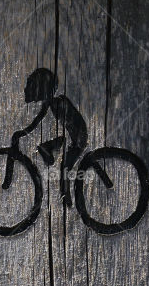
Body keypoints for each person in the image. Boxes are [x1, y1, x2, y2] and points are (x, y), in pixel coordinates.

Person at [7, 67, 88, 206]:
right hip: (71, 137)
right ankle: (64, 194)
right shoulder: (51, 103)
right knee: (48, 151)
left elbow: (71, 128)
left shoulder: (58, 104)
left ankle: (66, 199)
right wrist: (20, 134)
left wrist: (21, 134)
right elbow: (36, 123)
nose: (26, 89)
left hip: (77, 139)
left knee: (65, 167)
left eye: (31, 85)